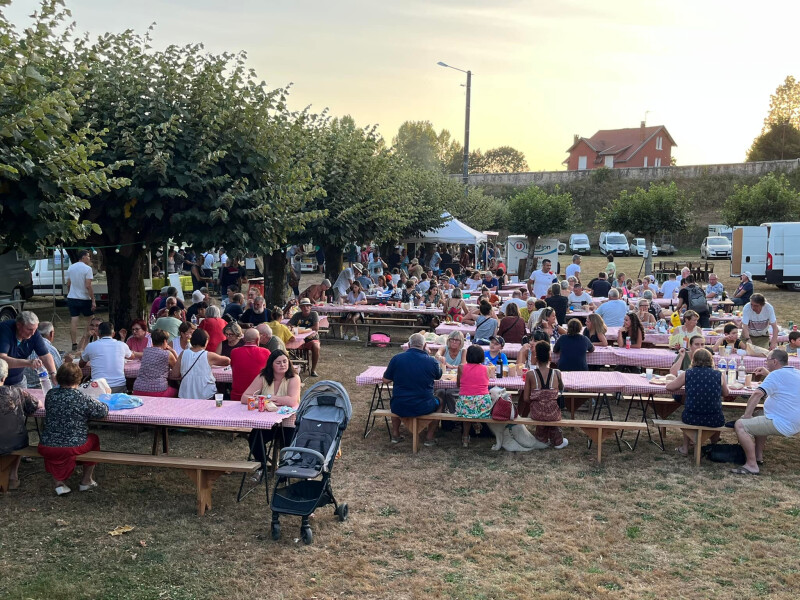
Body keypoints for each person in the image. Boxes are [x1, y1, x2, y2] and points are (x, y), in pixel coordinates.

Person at [38, 363, 109, 495]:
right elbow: (102, 411)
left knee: (59, 447)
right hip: (71, 445)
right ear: (78, 379)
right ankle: (86, 480)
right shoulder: (81, 397)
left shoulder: (50, 395)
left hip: (47, 444)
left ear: (58, 378)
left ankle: (59, 483)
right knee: (94, 439)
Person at [733, 349, 800, 475]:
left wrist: (746, 415)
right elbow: (783, 383)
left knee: (740, 425)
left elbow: (757, 394)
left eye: (767, 360)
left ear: (774, 361)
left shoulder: (776, 375)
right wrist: (768, 374)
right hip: (795, 420)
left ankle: (751, 465)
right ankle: (758, 456)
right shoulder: (796, 372)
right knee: (760, 414)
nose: (765, 362)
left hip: (782, 422)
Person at [242, 350, 302, 467]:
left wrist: (267, 398)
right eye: (278, 362)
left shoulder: (294, 378)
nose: (283, 365)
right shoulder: (263, 377)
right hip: (266, 422)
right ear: (271, 364)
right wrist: (262, 402)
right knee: (254, 440)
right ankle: (262, 466)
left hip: (288, 422)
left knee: (288, 445)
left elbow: (292, 401)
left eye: (285, 361)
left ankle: (285, 472)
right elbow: (245, 398)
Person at [383, 333, 443, 446]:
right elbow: (438, 376)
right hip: (424, 406)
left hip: (400, 405)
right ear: (425, 345)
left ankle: (395, 434)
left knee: (395, 399)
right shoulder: (431, 361)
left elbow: (385, 380)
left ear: (409, 345)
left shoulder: (397, 358)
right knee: (440, 401)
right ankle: (430, 436)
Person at [666, 348, 728, 456]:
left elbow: (670, 387)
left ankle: (685, 447)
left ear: (693, 360)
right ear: (711, 360)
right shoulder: (719, 375)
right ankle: (714, 446)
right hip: (714, 419)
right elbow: (726, 393)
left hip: (692, 418)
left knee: (688, 411)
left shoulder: (688, 373)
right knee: (717, 412)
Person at [0, 358, 38, 490]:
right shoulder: (18, 392)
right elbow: (33, 406)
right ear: (5, 376)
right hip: (14, 441)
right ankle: (13, 476)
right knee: (17, 436)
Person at [522, 341, 567, 448]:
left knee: (542, 411)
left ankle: (542, 438)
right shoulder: (557, 373)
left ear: (536, 357)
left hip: (536, 413)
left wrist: (539, 400)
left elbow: (526, 398)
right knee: (549, 411)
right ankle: (557, 440)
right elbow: (561, 389)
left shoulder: (530, 374)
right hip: (553, 413)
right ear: (549, 356)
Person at [174, 329, 230, 399]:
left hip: (185, 394)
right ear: (206, 341)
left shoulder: (183, 353)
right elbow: (227, 361)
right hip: (206, 394)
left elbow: (175, 374)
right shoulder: (209, 355)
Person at [455, 345, 493, 447]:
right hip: (483, 405)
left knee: (468, 410)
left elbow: (458, 384)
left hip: (465, 404)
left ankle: (465, 437)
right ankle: (476, 422)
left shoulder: (461, 367)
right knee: (475, 405)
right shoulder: (487, 369)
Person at [79, 322, 132, 393]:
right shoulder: (122, 345)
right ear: (113, 334)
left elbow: (81, 364)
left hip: (98, 387)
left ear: (98, 333)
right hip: (119, 386)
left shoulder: (91, 346)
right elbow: (131, 356)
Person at [132, 329, 179, 397]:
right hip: (158, 390)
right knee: (177, 391)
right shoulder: (167, 354)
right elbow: (177, 370)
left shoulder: (146, 351)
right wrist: (173, 351)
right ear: (165, 341)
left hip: (138, 389)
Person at [65, 249, 96, 350]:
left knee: (74, 319)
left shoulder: (71, 268)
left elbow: (68, 283)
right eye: (88, 256)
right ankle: (86, 338)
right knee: (91, 319)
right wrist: (93, 299)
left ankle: (74, 343)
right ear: (83, 257)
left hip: (72, 297)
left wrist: (69, 292)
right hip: (84, 298)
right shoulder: (87, 269)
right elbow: (88, 285)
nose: (89, 258)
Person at [229, 329, 271, 402]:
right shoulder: (265, 352)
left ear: (244, 339)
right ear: (257, 340)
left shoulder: (234, 352)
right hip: (258, 397)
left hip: (237, 396)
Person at [288, 298, 322, 376]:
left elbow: (316, 327)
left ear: (310, 307)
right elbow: (288, 325)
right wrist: (293, 327)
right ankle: (290, 368)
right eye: (303, 306)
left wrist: (304, 330)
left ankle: (313, 370)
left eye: (307, 306)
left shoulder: (314, 314)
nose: (305, 308)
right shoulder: (297, 315)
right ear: (301, 308)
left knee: (316, 346)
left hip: (311, 339)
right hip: (298, 340)